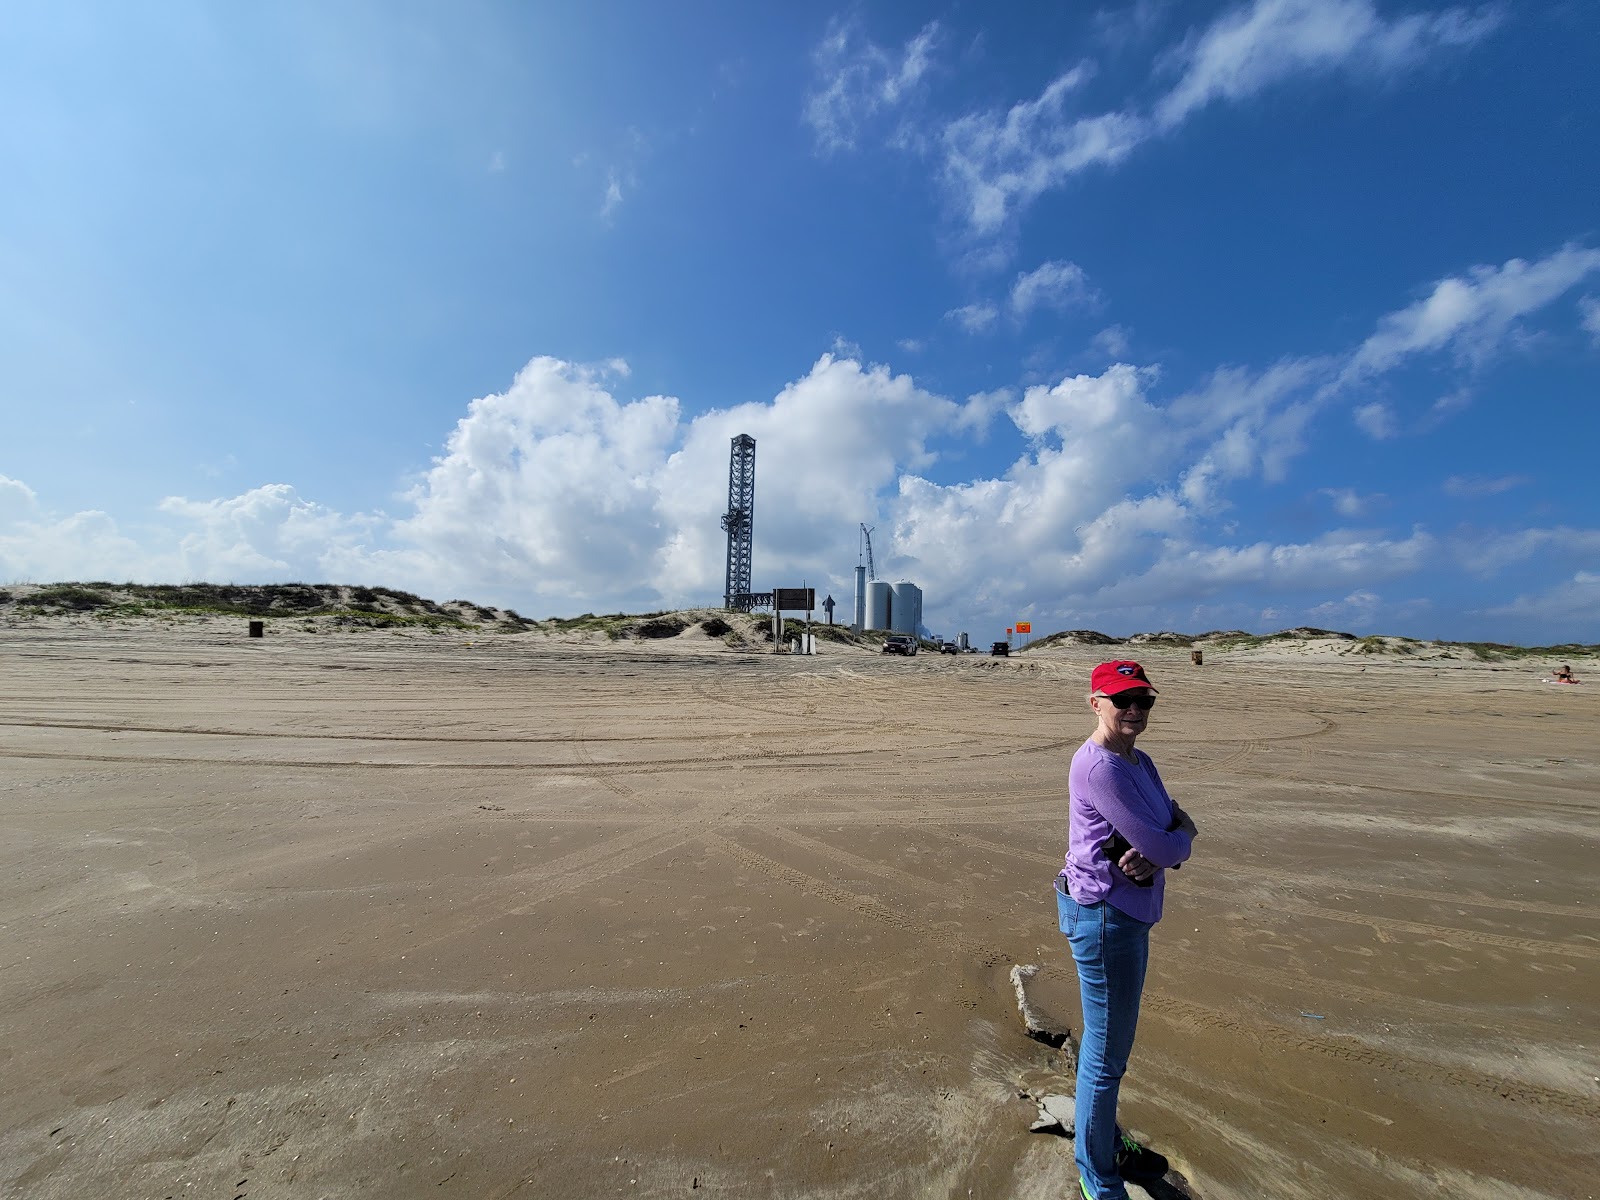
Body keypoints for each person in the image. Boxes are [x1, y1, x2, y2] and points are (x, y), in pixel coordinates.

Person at [1056, 660, 1197, 1200]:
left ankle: (1104, 1142)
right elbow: (1167, 838)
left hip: (1125, 912)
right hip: (1106, 918)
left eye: (1145, 699)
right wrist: (1174, 845)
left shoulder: (1139, 760)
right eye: (1123, 700)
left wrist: (1172, 842)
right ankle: (1098, 1173)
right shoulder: (1100, 768)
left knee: (1108, 1046)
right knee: (1106, 1054)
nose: (1135, 709)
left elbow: (1172, 821)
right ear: (1096, 703)